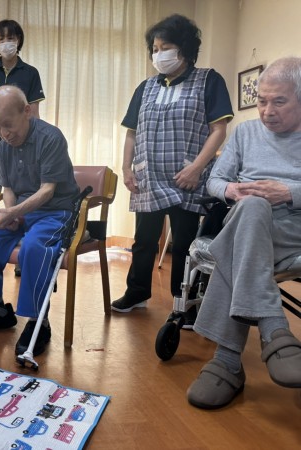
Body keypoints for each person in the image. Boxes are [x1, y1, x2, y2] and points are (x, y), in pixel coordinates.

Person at [187, 57, 301, 410]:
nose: (267, 111)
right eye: (261, 101)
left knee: (239, 243)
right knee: (251, 208)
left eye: (279, 101)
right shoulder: (245, 133)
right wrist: (232, 191)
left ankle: (227, 361)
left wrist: (289, 192)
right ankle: (274, 327)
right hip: (248, 222)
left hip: (293, 231)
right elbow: (215, 180)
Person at [111, 14, 233, 318]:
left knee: (184, 245)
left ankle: (185, 303)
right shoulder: (145, 87)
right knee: (144, 241)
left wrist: (196, 169)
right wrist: (126, 168)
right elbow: (131, 132)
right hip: (148, 177)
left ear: (185, 49)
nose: (158, 54)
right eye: (155, 49)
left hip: (186, 177)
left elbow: (218, 129)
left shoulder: (209, 80)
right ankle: (137, 292)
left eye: (165, 47)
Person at [0, 85, 79, 357]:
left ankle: (39, 323)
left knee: (34, 247)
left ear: (27, 111)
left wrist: (13, 213)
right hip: (24, 213)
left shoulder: (51, 137)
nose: (4, 133)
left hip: (57, 213)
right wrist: (12, 214)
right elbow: (8, 189)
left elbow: (47, 191)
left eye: (8, 125)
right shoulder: (4, 146)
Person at [0, 19, 45, 217]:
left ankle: (21, 226)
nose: (5, 42)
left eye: (10, 38)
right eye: (1, 38)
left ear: (18, 40)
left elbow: (34, 113)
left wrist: (36, 145)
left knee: (21, 190)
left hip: (20, 142)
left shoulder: (30, 73)